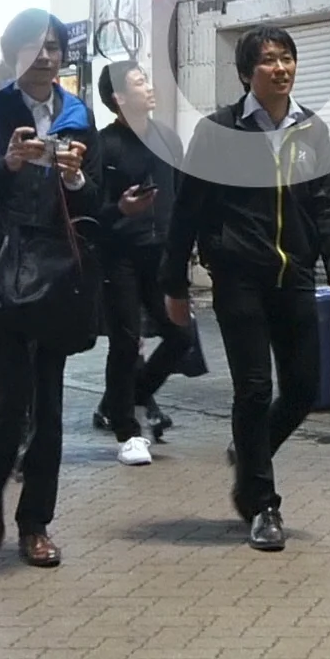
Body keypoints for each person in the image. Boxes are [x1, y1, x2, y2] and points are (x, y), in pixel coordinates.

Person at [162, 28, 330, 550]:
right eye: (268, 61)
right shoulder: (218, 130)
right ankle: (263, 505)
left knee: (304, 390)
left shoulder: (309, 128)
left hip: (295, 275)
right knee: (253, 388)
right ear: (247, 74)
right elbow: (188, 209)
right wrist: (173, 281)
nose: (281, 68)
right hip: (238, 275)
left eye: (287, 59)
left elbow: (328, 201)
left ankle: (250, 453)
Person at [0, 10, 111, 568]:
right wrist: (9, 164)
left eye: (56, 47)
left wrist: (75, 177)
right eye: (34, 47)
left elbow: (96, 203)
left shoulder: (78, 115)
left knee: (51, 404)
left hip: (59, 274)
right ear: (13, 54)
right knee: (10, 401)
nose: (46, 56)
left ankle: (35, 524)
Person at [83, 60, 183, 462]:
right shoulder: (103, 146)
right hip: (117, 256)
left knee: (181, 337)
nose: (149, 86)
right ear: (118, 99)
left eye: (146, 78)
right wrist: (120, 211)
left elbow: (184, 196)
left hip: (162, 256)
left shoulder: (168, 140)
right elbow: (91, 209)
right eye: (139, 82)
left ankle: (126, 397)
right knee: (124, 343)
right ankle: (128, 430)